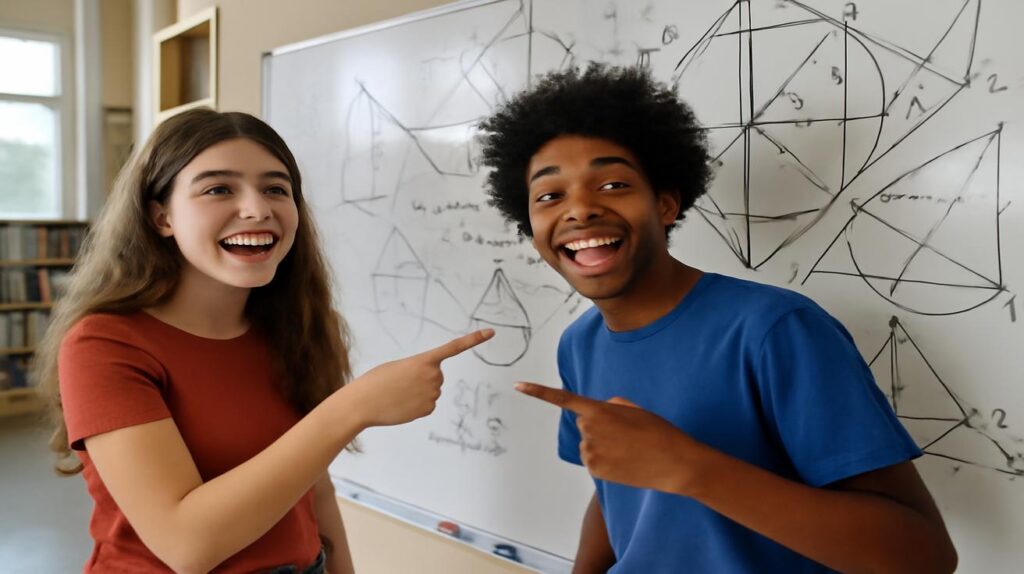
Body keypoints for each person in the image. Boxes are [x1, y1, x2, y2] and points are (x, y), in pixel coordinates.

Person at [478, 65, 958, 573]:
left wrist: (691, 469)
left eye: (614, 184)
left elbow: (923, 557)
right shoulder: (579, 343)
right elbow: (620, 490)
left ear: (665, 204)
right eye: (549, 196)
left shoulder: (775, 330)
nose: (579, 210)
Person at [34, 108, 493, 573]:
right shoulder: (104, 345)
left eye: (276, 189)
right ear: (161, 216)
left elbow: (314, 491)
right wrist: (354, 408)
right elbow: (187, 545)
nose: (257, 209)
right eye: (218, 189)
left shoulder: (298, 326)